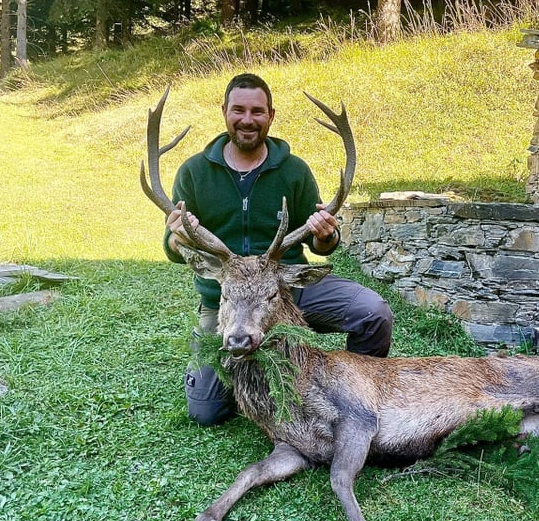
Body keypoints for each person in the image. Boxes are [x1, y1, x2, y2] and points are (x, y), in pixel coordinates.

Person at [163, 72, 394, 425]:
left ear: (271, 115)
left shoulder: (293, 171)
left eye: (257, 112)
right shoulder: (194, 172)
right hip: (226, 300)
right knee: (207, 412)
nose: (247, 120)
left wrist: (326, 233)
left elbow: (323, 247)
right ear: (224, 110)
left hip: (285, 288)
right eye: (238, 110)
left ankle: (363, 389)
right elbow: (174, 247)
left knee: (373, 312)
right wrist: (178, 235)